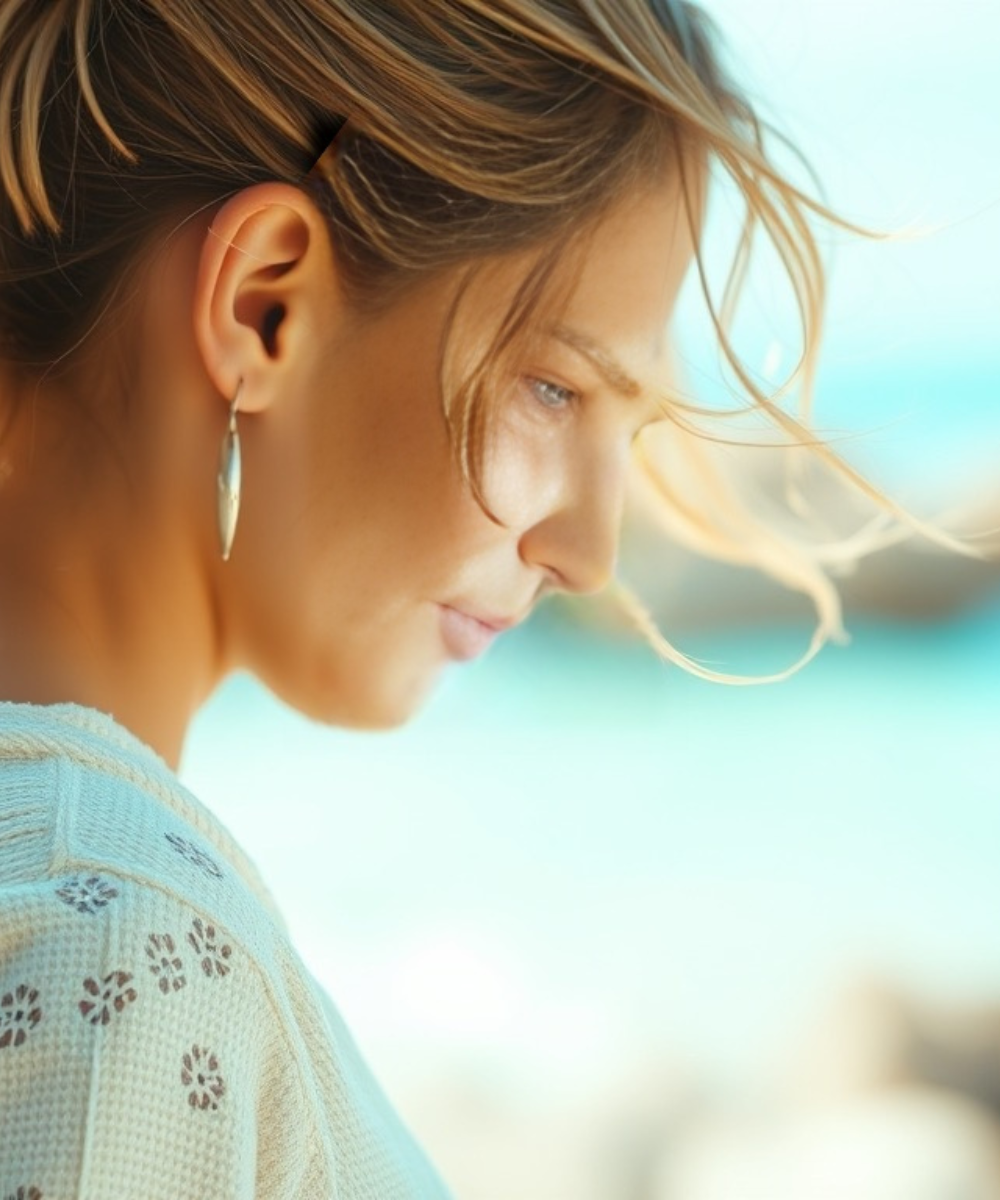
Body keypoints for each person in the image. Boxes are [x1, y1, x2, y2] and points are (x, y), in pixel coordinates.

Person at [0, 1, 945, 1196]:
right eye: (554, 389)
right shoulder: (117, 944)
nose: (590, 553)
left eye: (629, 430)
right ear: (262, 306)